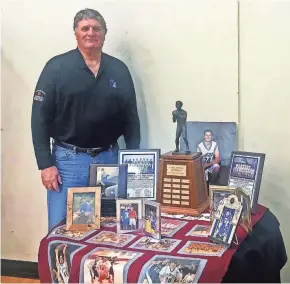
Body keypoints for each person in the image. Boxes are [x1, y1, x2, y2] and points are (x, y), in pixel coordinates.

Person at [31, 8, 140, 231]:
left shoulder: (118, 69)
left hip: (110, 159)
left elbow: (131, 117)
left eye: (96, 28)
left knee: (109, 228)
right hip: (68, 163)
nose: (91, 33)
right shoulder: (56, 68)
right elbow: (39, 119)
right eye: (85, 28)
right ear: (76, 33)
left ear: (104, 33)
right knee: (63, 230)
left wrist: (134, 158)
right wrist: (45, 164)